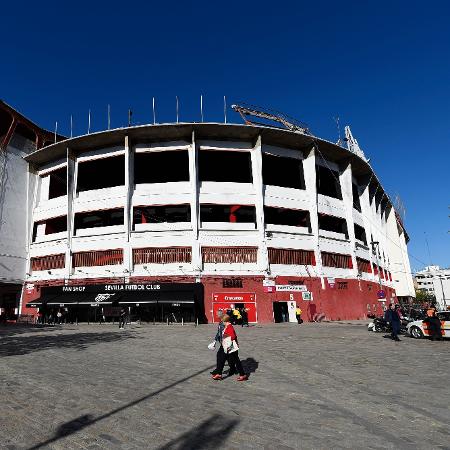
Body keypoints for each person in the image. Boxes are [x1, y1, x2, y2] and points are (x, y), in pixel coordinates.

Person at [212, 314, 248, 381]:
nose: (222, 322)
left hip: (230, 346)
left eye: (222, 321)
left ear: (225, 321)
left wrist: (225, 339)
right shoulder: (227, 326)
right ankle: (219, 374)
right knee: (220, 357)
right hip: (225, 345)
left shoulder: (229, 326)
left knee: (236, 360)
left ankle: (243, 375)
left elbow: (233, 336)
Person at [210, 312, 236, 377]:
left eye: (217, 314)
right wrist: (215, 340)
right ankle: (221, 371)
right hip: (224, 342)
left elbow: (228, 333)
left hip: (226, 343)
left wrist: (225, 342)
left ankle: (219, 372)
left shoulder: (224, 323)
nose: (216, 315)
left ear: (221, 315)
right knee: (226, 357)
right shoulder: (220, 322)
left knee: (223, 357)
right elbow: (219, 333)